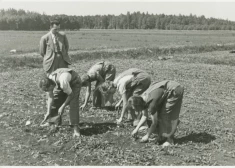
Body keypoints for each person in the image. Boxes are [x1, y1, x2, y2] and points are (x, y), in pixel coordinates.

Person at [129, 80, 184, 146]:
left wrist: (147, 135)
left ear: (138, 105)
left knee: (165, 114)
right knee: (161, 113)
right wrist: (136, 129)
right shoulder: (142, 99)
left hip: (174, 90)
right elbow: (145, 116)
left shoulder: (151, 104)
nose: (135, 110)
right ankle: (163, 135)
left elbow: (154, 123)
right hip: (171, 88)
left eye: (135, 108)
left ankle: (169, 140)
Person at [39, 18, 72, 126]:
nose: (56, 31)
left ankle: (57, 118)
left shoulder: (63, 36)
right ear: (50, 27)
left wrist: (61, 57)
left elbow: (66, 48)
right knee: (51, 91)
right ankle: (51, 117)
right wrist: (51, 59)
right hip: (50, 64)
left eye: (58, 29)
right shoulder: (44, 38)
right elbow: (42, 52)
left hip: (62, 63)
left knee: (61, 90)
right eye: (54, 29)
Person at [39, 68, 81, 137]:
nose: (49, 91)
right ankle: (52, 122)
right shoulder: (49, 79)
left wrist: (62, 106)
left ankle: (76, 129)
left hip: (75, 81)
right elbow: (50, 97)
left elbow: (71, 95)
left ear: (51, 86)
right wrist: (48, 112)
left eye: (48, 89)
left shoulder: (63, 82)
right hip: (62, 81)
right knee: (56, 99)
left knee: (73, 103)